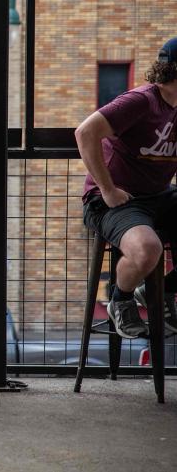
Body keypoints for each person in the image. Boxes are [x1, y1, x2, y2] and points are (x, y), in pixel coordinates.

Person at [75, 36, 177, 339]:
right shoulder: (142, 101)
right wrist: (107, 189)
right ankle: (120, 299)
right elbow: (85, 133)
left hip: (159, 195)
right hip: (113, 200)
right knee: (148, 249)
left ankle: (159, 290)